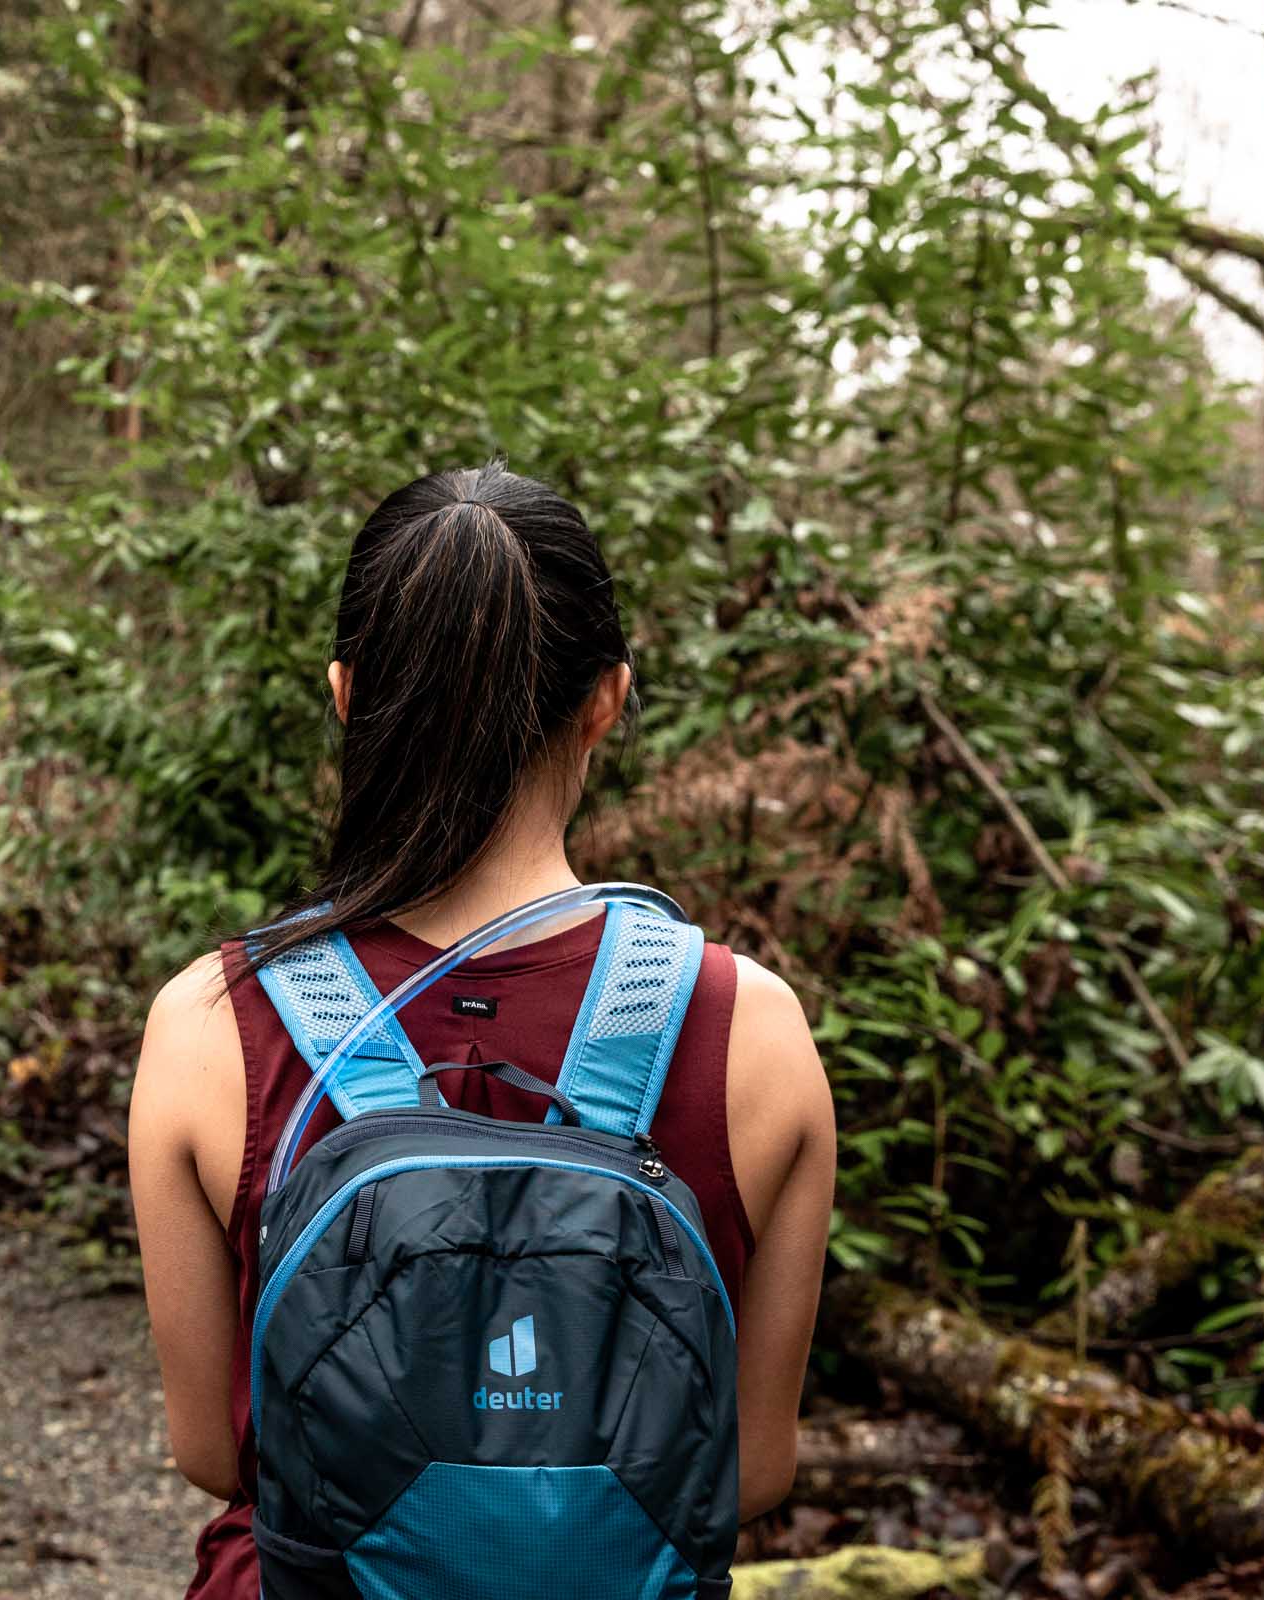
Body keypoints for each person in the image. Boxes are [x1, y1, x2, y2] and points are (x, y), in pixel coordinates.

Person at [127, 463, 837, 1599]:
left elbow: (220, 1453)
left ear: (347, 692)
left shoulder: (212, 1022)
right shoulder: (750, 1027)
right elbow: (747, 1469)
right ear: (608, 698)